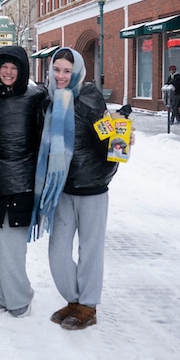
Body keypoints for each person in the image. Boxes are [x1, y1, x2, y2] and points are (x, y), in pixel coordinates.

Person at [32, 47, 126, 331]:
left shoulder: (89, 100)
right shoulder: (47, 101)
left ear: (78, 72)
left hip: (92, 188)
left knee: (90, 249)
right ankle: (75, 300)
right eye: (57, 70)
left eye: (67, 71)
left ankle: (88, 304)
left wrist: (107, 168)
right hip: (60, 188)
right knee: (57, 251)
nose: (61, 76)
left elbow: (112, 145)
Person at [0, 45, 48, 318]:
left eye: (14, 67)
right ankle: (1, 294)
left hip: (23, 179)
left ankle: (19, 297)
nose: (8, 72)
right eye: (3, 67)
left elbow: (67, 110)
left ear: (22, 71)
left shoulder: (36, 97)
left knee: (12, 243)